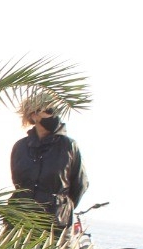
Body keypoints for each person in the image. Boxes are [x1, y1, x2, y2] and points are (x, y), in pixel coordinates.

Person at [10, 94, 87, 235]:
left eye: (56, 111)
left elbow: (80, 184)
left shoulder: (69, 146)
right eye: (49, 111)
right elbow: (17, 182)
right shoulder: (20, 147)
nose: (54, 116)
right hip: (20, 221)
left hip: (55, 225)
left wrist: (61, 207)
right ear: (34, 115)